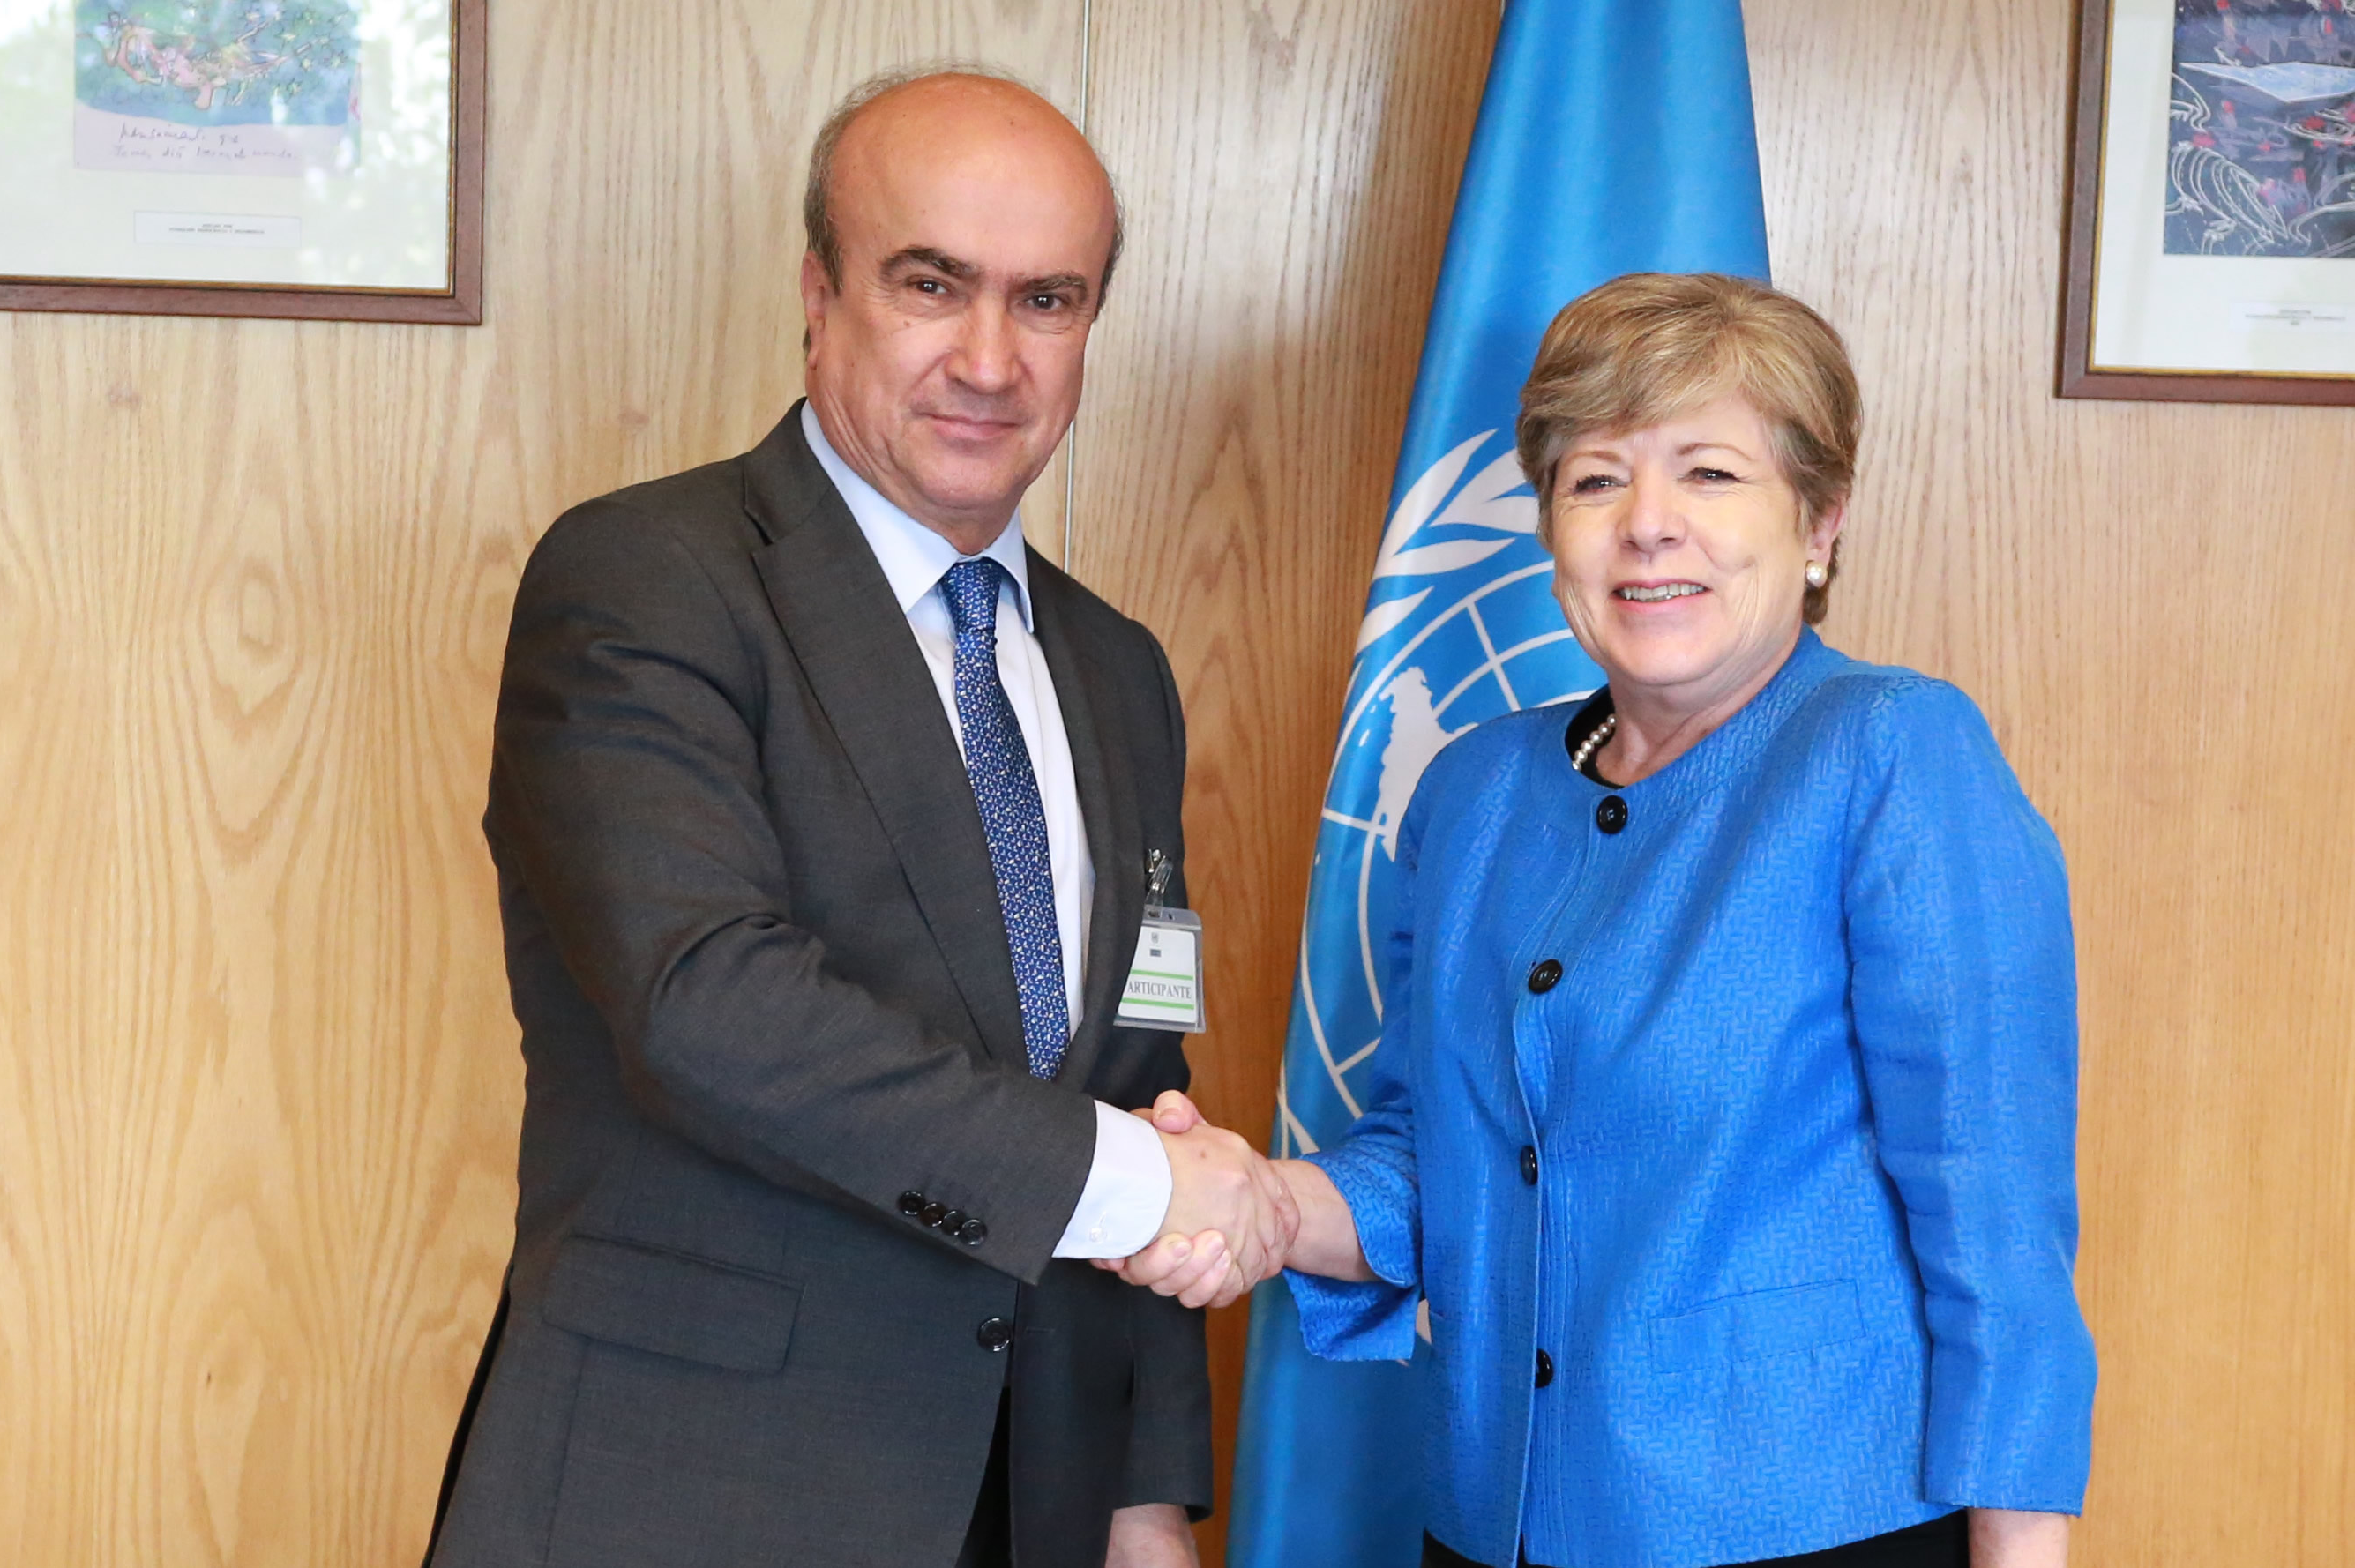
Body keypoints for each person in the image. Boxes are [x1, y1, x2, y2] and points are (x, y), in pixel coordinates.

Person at [425, 68, 1297, 1568]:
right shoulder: (646, 581)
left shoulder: (1120, 667)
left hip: (1033, 1505)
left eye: (1046, 301)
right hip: (697, 1494)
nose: (986, 358)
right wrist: (1153, 1186)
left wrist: (1146, 1494)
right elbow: (709, 1002)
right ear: (819, 294)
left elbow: (1141, 1060)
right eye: (930, 282)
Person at [1119, 273, 2096, 1568]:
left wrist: (2021, 1550)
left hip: (1806, 1530)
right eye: (1594, 480)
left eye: (1707, 473)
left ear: (1820, 521)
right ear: (1549, 527)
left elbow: (1994, 1208)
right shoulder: (1472, 789)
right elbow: (1437, 1156)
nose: (1648, 526)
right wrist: (1265, 1202)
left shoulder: (1893, 754)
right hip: (1492, 1524)